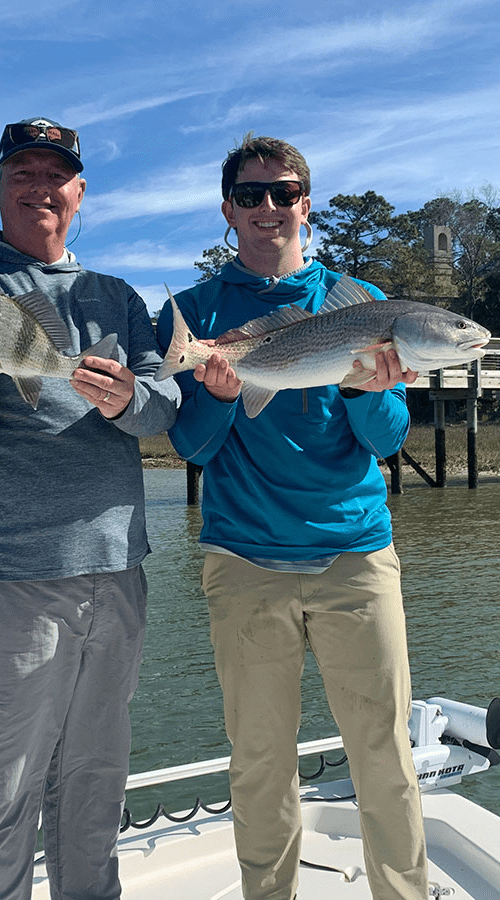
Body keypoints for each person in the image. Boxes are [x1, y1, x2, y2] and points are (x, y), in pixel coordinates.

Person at [0, 117, 180, 900]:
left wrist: (133, 398)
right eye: (21, 173)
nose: (39, 187)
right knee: (0, 796)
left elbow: (163, 409)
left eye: (55, 174)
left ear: (80, 193)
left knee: (96, 787)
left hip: (118, 571)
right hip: (7, 583)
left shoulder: (119, 299)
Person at [156, 134, 429, 900]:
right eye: (251, 195)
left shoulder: (361, 303)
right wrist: (215, 393)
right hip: (243, 564)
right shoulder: (199, 312)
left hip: (355, 557)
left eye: (284, 192)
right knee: (260, 761)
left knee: (384, 753)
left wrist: (368, 389)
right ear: (227, 211)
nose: (268, 207)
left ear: (306, 204)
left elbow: (387, 442)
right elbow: (193, 448)